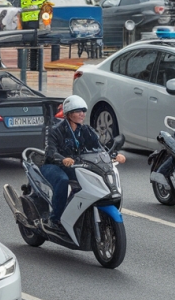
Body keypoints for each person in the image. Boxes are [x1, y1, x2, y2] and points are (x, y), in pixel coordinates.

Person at [42, 95, 126, 230]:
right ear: (69, 114)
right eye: (78, 111)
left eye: (83, 111)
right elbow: (50, 152)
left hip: (77, 165)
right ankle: (55, 219)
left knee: (93, 181)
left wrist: (114, 155)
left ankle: (76, 215)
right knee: (62, 181)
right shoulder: (56, 130)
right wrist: (62, 159)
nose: (82, 114)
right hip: (54, 165)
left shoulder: (86, 130)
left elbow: (99, 147)